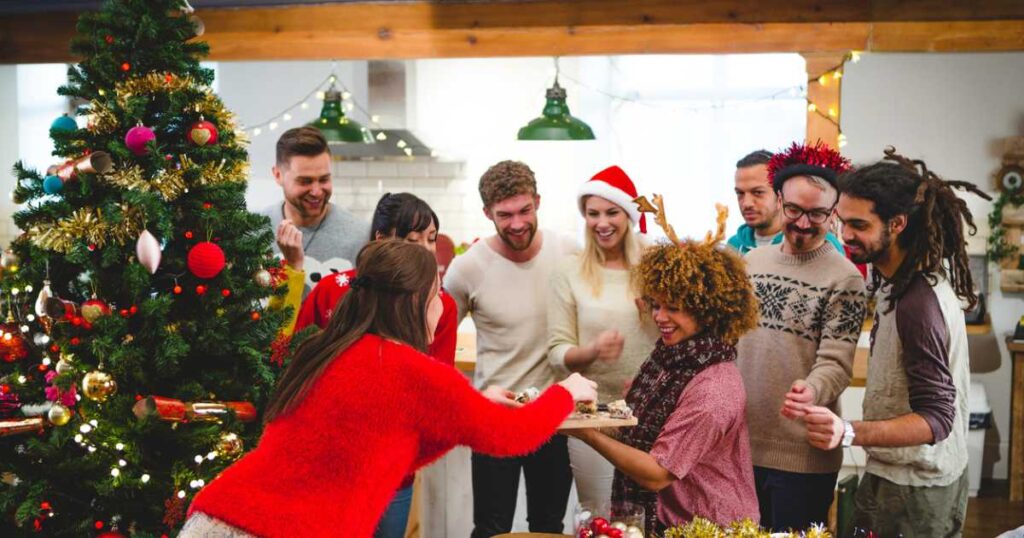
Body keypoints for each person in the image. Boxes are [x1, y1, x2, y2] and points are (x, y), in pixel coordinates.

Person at [183, 241, 598, 538]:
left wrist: (471, 408)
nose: (444, 306)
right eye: (438, 295)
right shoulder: (411, 371)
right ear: (416, 302)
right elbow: (512, 436)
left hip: (216, 516)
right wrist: (566, 392)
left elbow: (388, 449)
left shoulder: (327, 348)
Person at [798, 147, 991, 537]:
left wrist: (847, 431)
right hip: (902, 478)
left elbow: (936, 418)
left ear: (898, 223)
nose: (846, 235)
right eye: (841, 222)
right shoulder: (896, 280)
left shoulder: (918, 302)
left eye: (859, 225)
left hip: (913, 493)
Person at [568, 199, 760, 533]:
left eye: (673, 308)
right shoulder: (671, 357)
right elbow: (636, 428)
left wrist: (583, 432)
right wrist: (584, 412)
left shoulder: (714, 388)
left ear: (708, 310)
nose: (659, 317)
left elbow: (656, 473)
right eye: (655, 305)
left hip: (705, 528)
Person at [291, 192, 456, 538]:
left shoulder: (441, 305)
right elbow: (297, 365)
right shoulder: (334, 291)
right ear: (381, 239)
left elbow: (437, 393)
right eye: (412, 240)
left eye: (431, 240)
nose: (425, 251)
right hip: (327, 463)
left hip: (393, 469)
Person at [735, 142, 868, 532]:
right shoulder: (750, 264)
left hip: (803, 458)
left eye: (818, 214)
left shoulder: (844, 277)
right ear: (779, 201)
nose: (804, 223)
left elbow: (836, 363)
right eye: (794, 210)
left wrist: (812, 389)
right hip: (739, 449)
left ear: (834, 212)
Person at [444, 160, 579, 538]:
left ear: (538, 201)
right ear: (487, 212)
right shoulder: (467, 268)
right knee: (490, 528)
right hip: (495, 418)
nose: (517, 223)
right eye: (504, 215)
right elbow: (437, 345)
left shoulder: (568, 250)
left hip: (554, 416)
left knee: (549, 527)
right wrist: (465, 402)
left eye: (525, 210)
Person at [547, 165, 658, 506]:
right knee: (597, 514)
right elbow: (556, 351)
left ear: (628, 215)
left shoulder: (654, 267)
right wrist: (592, 350)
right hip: (591, 416)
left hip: (653, 411)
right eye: (592, 214)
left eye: (612, 212)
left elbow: (681, 335)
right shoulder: (569, 270)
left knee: (648, 516)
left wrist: (654, 309)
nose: (602, 222)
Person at [259, 127, 370, 301]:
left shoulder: (361, 235)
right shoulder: (254, 231)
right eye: (305, 181)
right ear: (278, 175)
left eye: (324, 179)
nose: (317, 191)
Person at [727, 149, 845, 255]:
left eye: (758, 192)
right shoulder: (733, 246)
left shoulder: (822, 243)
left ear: (780, 196)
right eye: (740, 193)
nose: (746, 203)